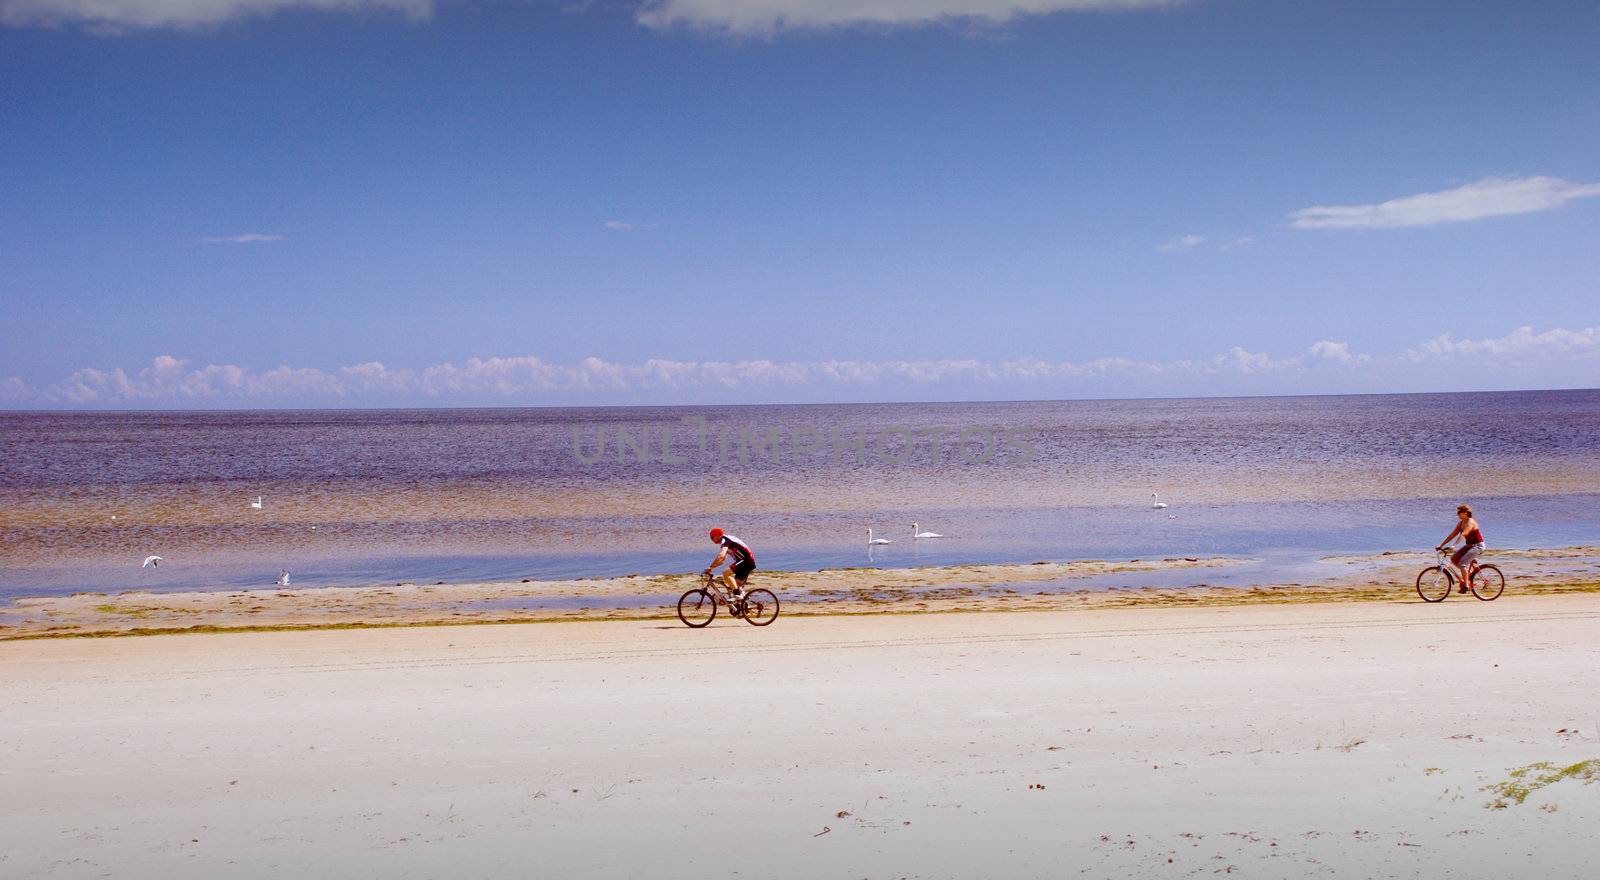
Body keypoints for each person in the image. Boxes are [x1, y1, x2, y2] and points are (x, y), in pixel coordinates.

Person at [1436, 504, 1485, 594]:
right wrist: (1441, 544)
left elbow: (1464, 534)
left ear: (1466, 513)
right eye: (1457, 512)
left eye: (1459, 512)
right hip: (1469, 546)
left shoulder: (1470, 522)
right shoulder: (1461, 523)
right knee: (1453, 559)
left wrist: (1454, 545)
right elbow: (1452, 535)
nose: (1458, 514)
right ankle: (1467, 574)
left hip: (1478, 546)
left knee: (1462, 564)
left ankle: (1466, 585)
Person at [704, 528, 756, 601]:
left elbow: (721, 556)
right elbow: (722, 560)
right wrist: (712, 568)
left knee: (726, 573)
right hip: (746, 561)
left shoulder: (725, 540)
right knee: (735, 584)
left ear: (718, 535)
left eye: (712, 537)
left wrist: (710, 567)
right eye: (710, 537)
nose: (711, 539)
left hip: (746, 561)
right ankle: (744, 604)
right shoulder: (726, 541)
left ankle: (738, 595)